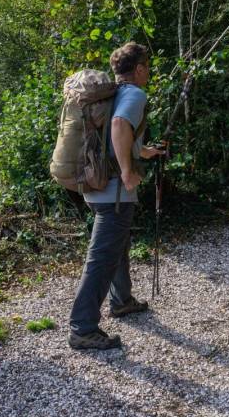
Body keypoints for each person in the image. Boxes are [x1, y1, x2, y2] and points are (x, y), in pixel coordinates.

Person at [68, 42, 165, 350]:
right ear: (138, 69)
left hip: (98, 187)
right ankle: (82, 328)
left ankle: (121, 300)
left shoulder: (115, 94)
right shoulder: (134, 94)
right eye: (146, 67)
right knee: (101, 259)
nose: (148, 72)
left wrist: (144, 152)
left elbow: (119, 136)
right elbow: (119, 125)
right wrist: (126, 170)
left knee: (117, 247)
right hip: (115, 192)